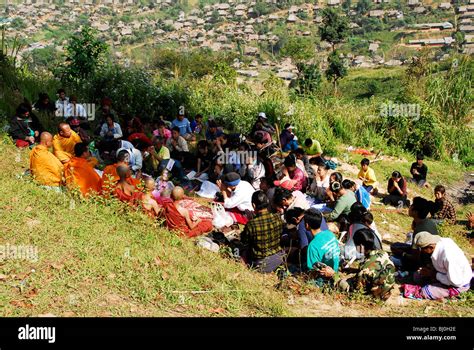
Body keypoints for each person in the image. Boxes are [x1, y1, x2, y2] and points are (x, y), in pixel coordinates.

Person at [403, 232, 472, 300]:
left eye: (422, 249)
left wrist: (433, 274)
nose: (422, 251)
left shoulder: (449, 257)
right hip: (444, 274)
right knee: (417, 277)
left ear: (431, 247)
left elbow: (456, 282)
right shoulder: (439, 242)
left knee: (425, 291)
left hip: (458, 283)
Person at [336, 229, 396, 300]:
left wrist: (334, 276)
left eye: (356, 245)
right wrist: (354, 270)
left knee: (340, 283)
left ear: (361, 246)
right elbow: (376, 271)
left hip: (376, 297)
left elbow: (355, 292)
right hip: (386, 292)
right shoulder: (383, 253)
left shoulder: (364, 270)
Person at [240, 191, 285, 273]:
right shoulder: (277, 217)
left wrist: (251, 220)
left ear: (254, 205)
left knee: (240, 248)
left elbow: (244, 240)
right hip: (278, 259)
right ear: (267, 202)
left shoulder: (252, 224)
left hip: (261, 264)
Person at [390, 197, 439, 271]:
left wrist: (402, 253)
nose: (409, 207)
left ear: (415, 212)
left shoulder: (418, 230)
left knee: (391, 258)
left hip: (421, 262)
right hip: (426, 256)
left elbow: (415, 257)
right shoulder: (429, 222)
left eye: (412, 206)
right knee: (395, 245)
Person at [305, 209, 340, 286]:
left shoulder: (312, 246)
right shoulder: (330, 233)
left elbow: (312, 270)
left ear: (307, 225)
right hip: (336, 270)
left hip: (326, 279)